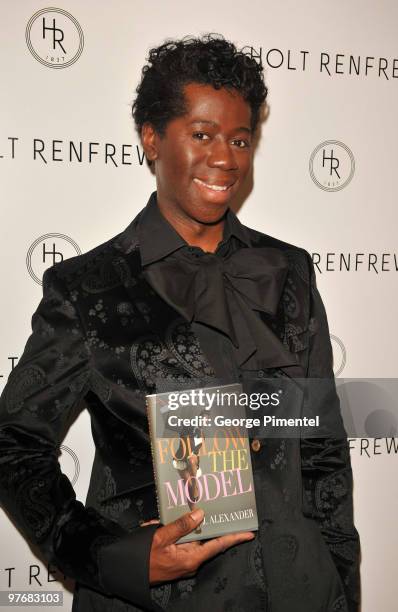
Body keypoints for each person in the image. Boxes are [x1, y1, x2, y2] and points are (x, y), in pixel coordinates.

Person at [0, 34, 361, 611]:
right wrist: (112, 556)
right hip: (164, 600)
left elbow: (321, 450)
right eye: (201, 134)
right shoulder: (86, 289)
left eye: (240, 139)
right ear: (151, 138)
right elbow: (14, 444)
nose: (225, 158)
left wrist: (340, 579)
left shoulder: (290, 271)